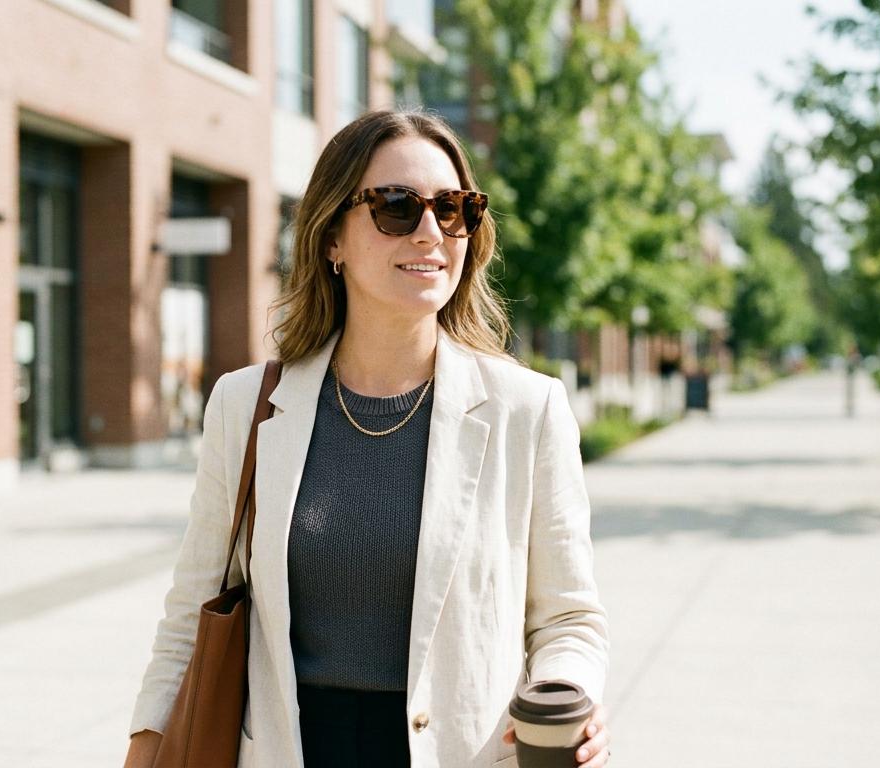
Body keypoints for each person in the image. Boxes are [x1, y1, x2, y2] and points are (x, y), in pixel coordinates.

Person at [123, 109, 610, 768]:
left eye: (453, 209)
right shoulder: (246, 406)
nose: (431, 231)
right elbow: (191, 613)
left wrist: (566, 695)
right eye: (396, 207)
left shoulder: (528, 409)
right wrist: (145, 748)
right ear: (332, 238)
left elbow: (568, 619)